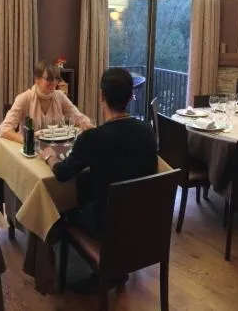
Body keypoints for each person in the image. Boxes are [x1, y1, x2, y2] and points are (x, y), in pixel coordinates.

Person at [40, 68, 158, 292]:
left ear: (101, 96)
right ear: (131, 96)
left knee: (65, 211)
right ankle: (117, 269)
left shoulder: (93, 138)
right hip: (144, 223)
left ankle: (97, 270)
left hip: (108, 226)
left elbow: (64, 173)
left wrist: (50, 157)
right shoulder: (147, 132)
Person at [0, 61, 93, 144]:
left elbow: (78, 117)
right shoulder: (24, 98)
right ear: (37, 79)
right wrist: (27, 141)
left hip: (55, 148)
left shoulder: (60, 96)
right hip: (30, 149)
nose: (54, 82)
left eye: (56, 78)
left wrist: (91, 127)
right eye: (49, 79)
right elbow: (4, 129)